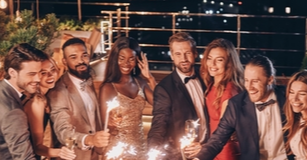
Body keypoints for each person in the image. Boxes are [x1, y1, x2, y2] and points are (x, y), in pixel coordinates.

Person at [194, 55, 294, 160]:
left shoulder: (288, 97)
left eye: (255, 81)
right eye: (246, 80)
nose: (249, 87)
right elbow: (217, 140)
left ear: (270, 80)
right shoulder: (236, 104)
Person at [147, 32, 209, 160]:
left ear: (195, 53)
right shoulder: (164, 89)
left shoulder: (206, 79)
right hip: (181, 155)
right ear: (172, 57)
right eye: (178, 54)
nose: (184, 59)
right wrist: (152, 153)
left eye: (187, 53)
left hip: (208, 151)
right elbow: (158, 126)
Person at [47, 38, 110, 160]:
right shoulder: (58, 91)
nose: (81, 61)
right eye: (73, 57)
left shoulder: (87, 80)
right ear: (64, 61)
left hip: (94, 156)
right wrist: (90, 139)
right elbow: (63, 132)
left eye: (84, 55)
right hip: (73, 156)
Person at [99, 37, 155, 159]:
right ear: (115, 59)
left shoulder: (140, 83)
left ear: (137, 60)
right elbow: (104, 125)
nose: (126, 64)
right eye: (122, 58)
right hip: (118, 150)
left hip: (140, 148)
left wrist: (149, 77)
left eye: (131, 59)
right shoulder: (108, 88)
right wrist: (110, 124)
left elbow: (160, 104)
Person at [198, 38, 244, 160]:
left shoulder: (229, 91)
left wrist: (203, 148)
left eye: (219, 60)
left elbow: (224, 132)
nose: (212, 64)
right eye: (209, 58)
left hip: (226, 150)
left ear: (229, 63)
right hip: (214, 148)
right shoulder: (212, 84)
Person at [22, 57, 76, 160]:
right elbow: (37, 147)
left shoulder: (47, 95)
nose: (50, 75)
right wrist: (60, 152)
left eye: (52, 70)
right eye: (43, 73)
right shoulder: (36, 103)